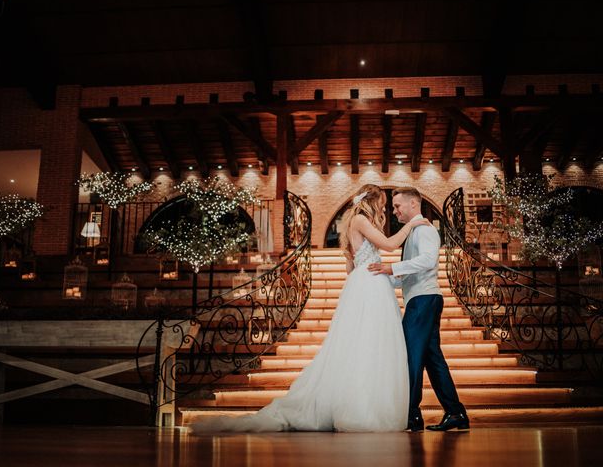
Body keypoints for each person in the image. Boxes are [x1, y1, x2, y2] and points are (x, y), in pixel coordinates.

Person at [190, 184, 428, 433]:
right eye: (383, 202)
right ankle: (364, 409)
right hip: (370, 286)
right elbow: (390, 245)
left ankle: (365, 404)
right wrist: (413, 224)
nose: (385, 208)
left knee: (364, 344)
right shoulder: (360, 219)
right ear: (372, 200)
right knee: (368, 343)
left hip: (364, 283)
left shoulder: (353, 223)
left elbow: (351, 269)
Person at [368, 187, 470, 432]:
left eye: (397, 206)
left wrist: (392, 268)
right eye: (393, 207)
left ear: (414, 204)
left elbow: (426, 261)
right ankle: (455, 413)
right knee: (432, 359)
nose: (394, 211)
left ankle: (412, 414)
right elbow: (409, 275)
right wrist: (381, 278)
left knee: (410, 358)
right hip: (422, 298)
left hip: (424, 300)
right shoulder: (414, 231)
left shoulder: (424, 229)